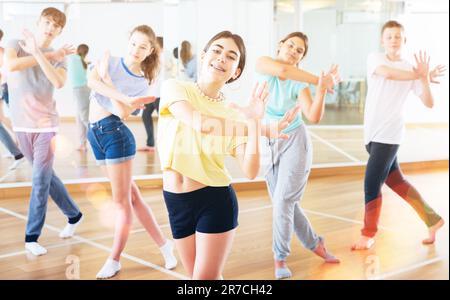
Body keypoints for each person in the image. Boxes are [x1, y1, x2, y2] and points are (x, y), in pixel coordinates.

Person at [157, 30, 299, 279]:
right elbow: (199, 122)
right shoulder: (174, 87)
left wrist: (255, 124)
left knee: (204, 280)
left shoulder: (233, 114)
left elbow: (250, 170)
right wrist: (261, 128)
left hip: (214, 200)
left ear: (236, 71)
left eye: (231, 56)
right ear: (203, 56)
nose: (222, 57)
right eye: (216, 50)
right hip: (175, 201)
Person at [86, 25, 177, 279]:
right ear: (128, 41)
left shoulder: (142, 81)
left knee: (121, 203)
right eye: (134, 43)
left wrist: (110, 83)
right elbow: (91, 81)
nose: (137, 50)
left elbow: (123, 113)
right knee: (133, 197)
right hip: (94, 134)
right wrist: (116, 92)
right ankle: (165, 245)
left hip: (116, 135)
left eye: (143, 47)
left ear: (150, 51)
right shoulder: (110, 60)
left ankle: (114, 259)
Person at [351, 20, 446, 250]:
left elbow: (429, 103)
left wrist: (423, 78)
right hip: (373, 134)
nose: (394, 39)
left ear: (405, 40)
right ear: (383, 41)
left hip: (390, 134)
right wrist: (419, 74)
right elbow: (389, 74)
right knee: (397, 181)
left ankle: (368, 233)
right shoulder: (376, 58)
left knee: (371, 183)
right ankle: (433, 220)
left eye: (398, 36)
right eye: (389, 36)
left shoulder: (410, 69)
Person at [255, 32, 341, 279]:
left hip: (295, 141)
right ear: (280, 45)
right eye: (290, 45)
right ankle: (316, 244)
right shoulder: (263, 64)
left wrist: (322, 90)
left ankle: (280, 259)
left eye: (299, 50)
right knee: (285, 203)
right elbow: (282, 72)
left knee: (283, 202)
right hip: (269, 140)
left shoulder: (300, 82)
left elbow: (313, 116)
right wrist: (320, 80)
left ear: (302, 57)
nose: (293, 50)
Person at [3, 7, 83, 256]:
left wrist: (41, 54)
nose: (50, 28)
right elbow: (12, 65)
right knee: (47, 177)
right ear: (39, 22)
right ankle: (74, 214)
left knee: (39, 181)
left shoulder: (60, 56)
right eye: (47, 22)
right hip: (21, 125)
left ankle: (31, 236)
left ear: (60, 31)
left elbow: (58, 82)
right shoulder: (15, 43)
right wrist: (37, 52)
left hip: (46, 126)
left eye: (56, 26)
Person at [0, 28, 26, 171]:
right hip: (5, 87)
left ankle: (18, 151)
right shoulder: (4, 50)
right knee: (2, 118)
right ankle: (15, 148)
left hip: (6, 87)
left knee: (14, 119)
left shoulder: (2, 52)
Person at [67, 43, 90, 151]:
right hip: (82, 90)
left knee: (85, 118)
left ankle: (100, 141)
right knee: (80, 118)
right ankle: (82, 144)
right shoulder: (84, 62)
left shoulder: (73, 58)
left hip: (80, 90)